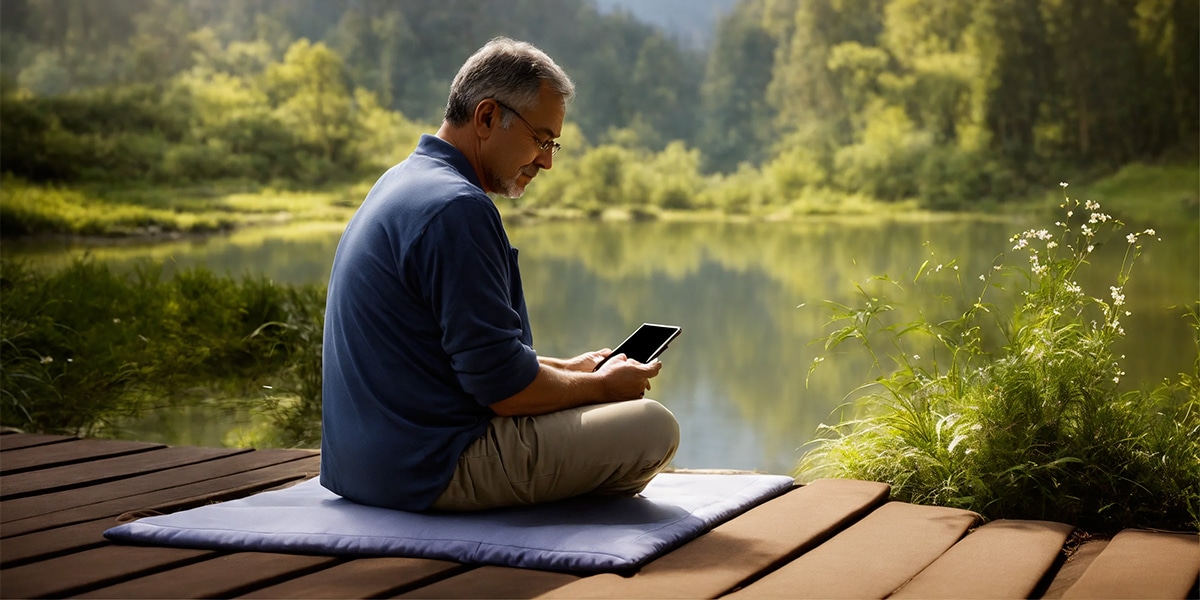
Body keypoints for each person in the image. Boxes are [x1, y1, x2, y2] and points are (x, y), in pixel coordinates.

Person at [319, 37, 679, 512]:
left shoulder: (401, 181)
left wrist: (568, 370)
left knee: (591, 406)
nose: (547, 161)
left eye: (554, 144)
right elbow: (505, 392)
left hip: (364, 467)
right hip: (429, 468)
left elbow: (462, 357)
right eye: (541, 139)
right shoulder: (458, 208)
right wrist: (603, 387)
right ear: (487, 117)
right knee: (651, 427)